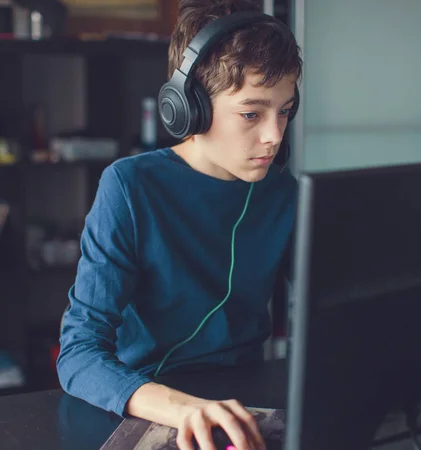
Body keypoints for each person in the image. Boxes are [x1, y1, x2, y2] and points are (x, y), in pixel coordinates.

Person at [56, 1, 302, 449]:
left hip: (244, 405)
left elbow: (332, 313)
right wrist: (183, 407)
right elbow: (78, 355)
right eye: (252, 113)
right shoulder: (130, 187)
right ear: (190, 108)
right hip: (147, 400)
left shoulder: (282, 192)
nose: (275, 135)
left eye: (284, 110)